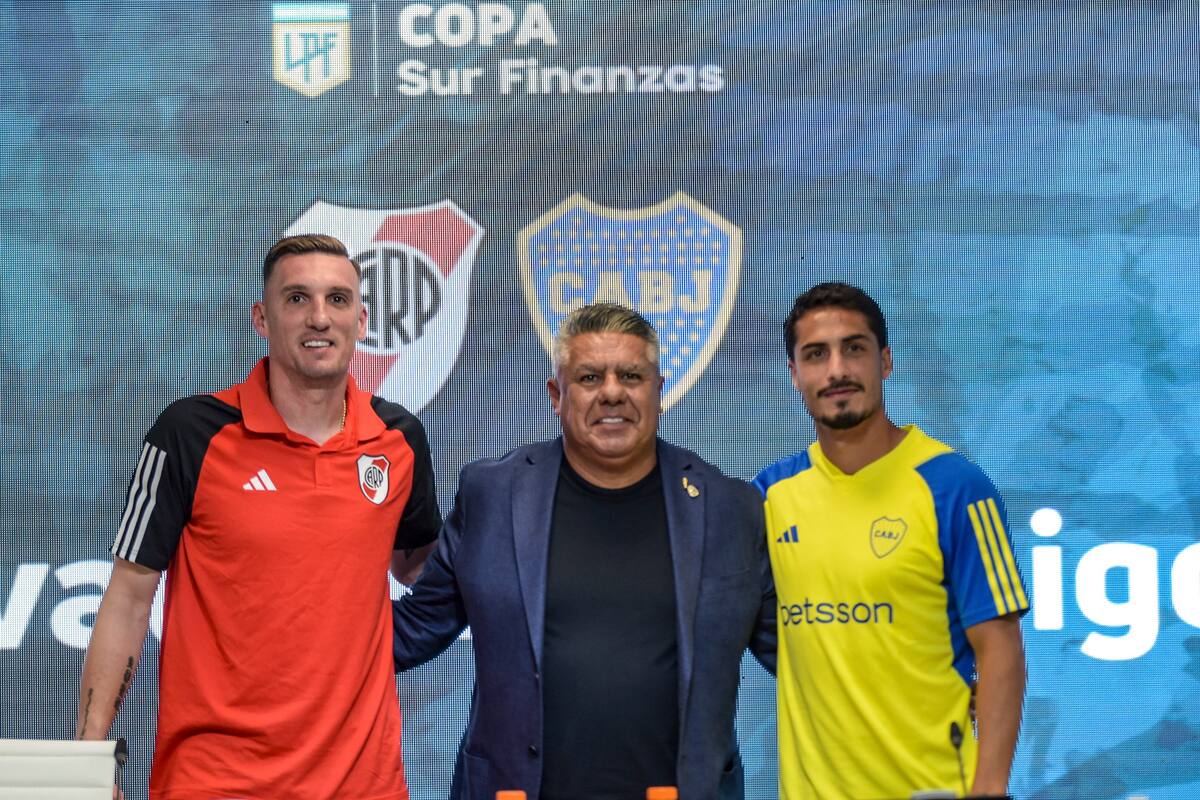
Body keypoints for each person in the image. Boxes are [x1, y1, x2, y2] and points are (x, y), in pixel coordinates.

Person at [76, 234, 441, 799]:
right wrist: (86, 761)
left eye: (337, 299)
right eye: (297, 298)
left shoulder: (399, 440)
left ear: (362, 320)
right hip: (215, 784)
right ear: (262, 319)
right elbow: (128, 596)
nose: (319, 317)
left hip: (363, 786)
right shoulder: (189, 433)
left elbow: (421, 568)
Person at [392, 303, 776, 800]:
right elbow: (414, 630)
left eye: (631, 376)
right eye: (590, 377)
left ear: (659, 391)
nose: (612, 392)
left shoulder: (729, 507)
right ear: (557, 395)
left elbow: (796, 649)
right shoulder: (493, 495)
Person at [755, 282, 1028, 799]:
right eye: (816, 355)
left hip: (936, 789)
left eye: (854, 348)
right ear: (794, 374)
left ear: (885, 361)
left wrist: (990, 790)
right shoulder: (768, 497)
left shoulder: (956, 485)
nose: (837, 370)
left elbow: (1000, 650)